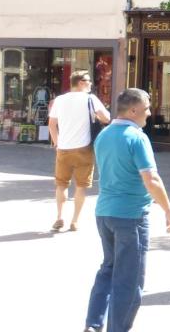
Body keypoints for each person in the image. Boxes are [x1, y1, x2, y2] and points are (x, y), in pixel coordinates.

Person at [84, 88, 170, 332]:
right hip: (131, 215)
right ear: (133, 110)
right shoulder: (136, 137)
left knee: (109, 268)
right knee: (129, 279)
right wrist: (168, 209)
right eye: (146, 109)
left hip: (104, 212)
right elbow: (151, 179)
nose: (149, 114)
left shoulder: (104, 135)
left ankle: (93, 324)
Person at [48, 71, 110, 231]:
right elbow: (106, 118)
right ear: (81, 82)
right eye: (89, 81)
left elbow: (52, 124)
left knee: (61, 185)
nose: (91, 84)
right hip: (84, 148)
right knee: (81, 186)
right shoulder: (90, 99)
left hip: (63, 148)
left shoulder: (60, 100)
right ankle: (75, 220)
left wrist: (57, 142)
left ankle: (59, 216)